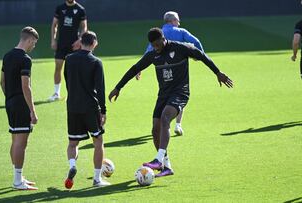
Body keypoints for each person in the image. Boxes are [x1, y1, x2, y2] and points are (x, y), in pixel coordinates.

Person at [109, 28, 233, 177]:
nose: (156, 48)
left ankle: (158, 159)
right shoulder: (153, 55)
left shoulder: (180, 48)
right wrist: (118, 87)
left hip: (180, 92)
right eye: (153, 45)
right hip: (163, 95)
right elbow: (134, 68)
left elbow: (201, 55)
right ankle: (166, 167)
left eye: (158, 44)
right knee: (155, 130)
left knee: (165, 118)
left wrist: (218, 72)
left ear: (163, 38)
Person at [137, 11, 204, 137]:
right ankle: (178, 124)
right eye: (177, 20)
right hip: (180, 69)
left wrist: (139, 69)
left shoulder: (159, 33)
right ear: (172, 21)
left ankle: (165, 121)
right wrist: (199, 55)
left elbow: (149, 51)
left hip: (164, 71)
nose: (179, 23)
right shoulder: (181, 32)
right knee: (180, 95)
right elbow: (196, 42)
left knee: (167, 95)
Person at [63, 31, 110, 188]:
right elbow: (100, 89)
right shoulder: (96, 62)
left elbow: (67, 81)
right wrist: (103, 111)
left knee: (73, 143)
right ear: (94, 43)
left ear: (80, 42)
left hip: (73, 106)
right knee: (98, 142)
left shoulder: (69, 59)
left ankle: (72, 166)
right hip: (90, 107)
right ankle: (97, 179)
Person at [0, 26, 39, 190]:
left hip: (10, 102)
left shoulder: (7, 56)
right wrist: (32, 110)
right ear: (29, 40)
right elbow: (26, 86)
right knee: (21, 143)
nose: (34, 46)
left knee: (15, 141)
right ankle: (17, 181)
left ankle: (18, 176)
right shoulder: (25, 59)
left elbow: (2, 82)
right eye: (34, 43)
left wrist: (10, 98)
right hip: (21, 103)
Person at [49, 0, 87, 101]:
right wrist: (53, 40)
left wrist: (80, 41)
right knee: (58, 67)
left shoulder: (80, 9)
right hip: (61, 44)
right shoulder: (60, 8)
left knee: (74, 70)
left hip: (74, 45)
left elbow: (84, 27)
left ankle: (74, 93)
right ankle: (56, 93)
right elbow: (54, 25)